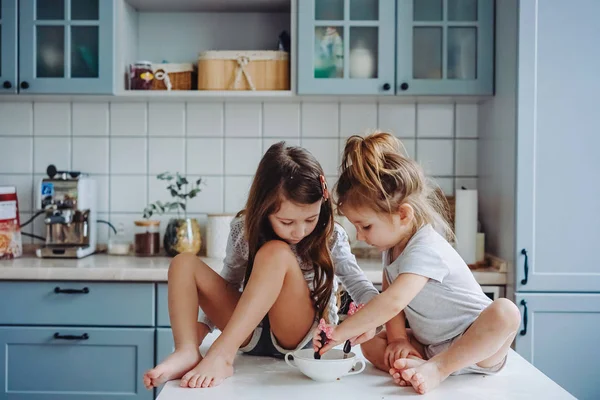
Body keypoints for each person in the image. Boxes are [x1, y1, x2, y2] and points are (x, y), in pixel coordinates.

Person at [144, 141, 379, 389]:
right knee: (183, 263)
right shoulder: (244, 231)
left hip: (299, 337)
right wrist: (201, 330)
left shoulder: (331, 235)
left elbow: (363, 288)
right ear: (264, 210)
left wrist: (370, 321)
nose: (300, 231)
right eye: (287, 221)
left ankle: (222, 355)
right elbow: (228, 284)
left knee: (275, 252)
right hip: (247, 333)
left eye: (311, 218)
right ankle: (186, 351)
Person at [314, 132, 521, 395]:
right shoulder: (391, 250)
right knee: (370, 343)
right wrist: (398, 339)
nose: (361, 236)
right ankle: (418, 365)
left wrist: (340, 332)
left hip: (475, 346)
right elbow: (391, 305)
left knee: (505, 312)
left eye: (365, 226)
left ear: (403, 214)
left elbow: (393, 302)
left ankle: (438, 369)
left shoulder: (425, 246)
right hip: (430, 346)